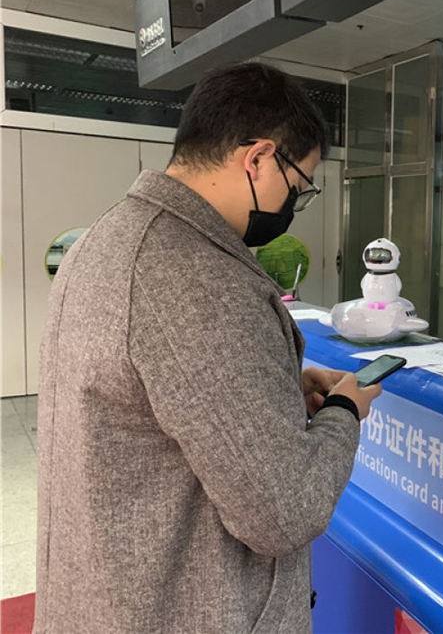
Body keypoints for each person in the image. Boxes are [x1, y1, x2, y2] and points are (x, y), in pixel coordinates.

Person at [34, 62, 380, 633]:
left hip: (99, 595)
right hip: (182, 609)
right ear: (258, 158)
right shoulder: (199, 277)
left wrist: (277, 385)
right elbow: (283, 512)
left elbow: (144, 393)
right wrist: (344, 411)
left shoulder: (106, 239)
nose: (294, 203)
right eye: (298, 186)